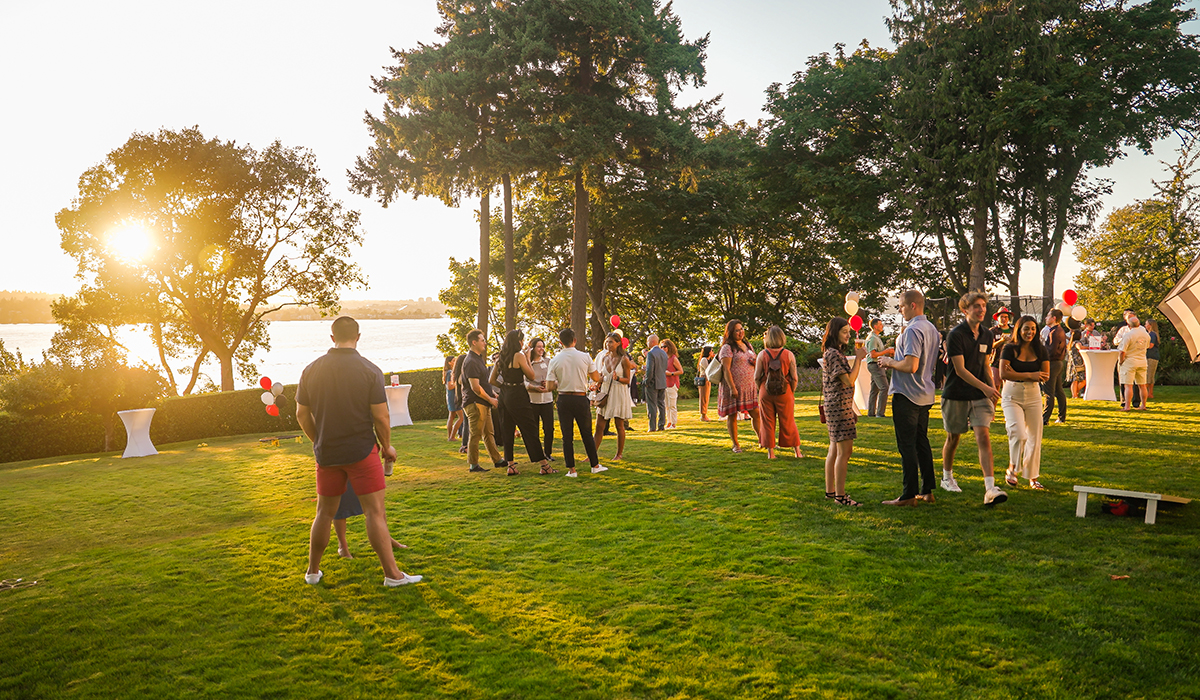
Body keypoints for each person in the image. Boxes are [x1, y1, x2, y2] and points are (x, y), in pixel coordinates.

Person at [295, 316, 420, 587]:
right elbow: (381, 416)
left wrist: (319, 440)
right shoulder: (369, 370)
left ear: (331, 338)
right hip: (362, 451)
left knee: (323, 513)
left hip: (327, 454)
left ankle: (312, 572)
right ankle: (392, 575)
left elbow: (302, 414)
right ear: (358, 337)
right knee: (374, 512)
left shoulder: (311, 369)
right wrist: (386, 447)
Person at [938, 292, 1007, 506]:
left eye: (984, 306)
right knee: (953, 438)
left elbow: (985, 365)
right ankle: (947, 477)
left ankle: (990, 488)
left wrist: (992, 392)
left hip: (979, 396)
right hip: (956, 394)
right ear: (965, 310)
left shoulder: (987, 335)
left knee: (983, 438)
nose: (981, 309)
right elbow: (960, 370)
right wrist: (986, 388)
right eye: (976, 306)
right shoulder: (956, 335)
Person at [878, 290, 940, 507]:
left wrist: (888, 362)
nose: (900, 310)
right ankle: (928, 491)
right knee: (922, 442)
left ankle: (908, 495)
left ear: (913, 305)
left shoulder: (913, 330)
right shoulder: (931, 328)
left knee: (907, 446)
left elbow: (910, 365)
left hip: (908, 394)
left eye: (902, 306)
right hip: (925, 393)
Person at [490, 329, 552, 475]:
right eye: (522, 340)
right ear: (518, 342)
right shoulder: (519, 356)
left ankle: (510, 465)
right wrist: (527, 357)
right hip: (518, 395)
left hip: (505, 395)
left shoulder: (501, 358)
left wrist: (504, 387)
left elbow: (491, 380)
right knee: (529, 429)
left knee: (507, 430)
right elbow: (531, 376)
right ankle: (544, 465)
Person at [1000, 315, 1050, 490]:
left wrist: (1017, 372)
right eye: (1026, 328)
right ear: (1019, 330)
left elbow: (1045, 375)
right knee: (1018, 432)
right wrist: (1030, 375)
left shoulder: (1041, 350)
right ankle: (1012, 468)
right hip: (1011, 395)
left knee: (1034, 437)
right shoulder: (1009, 348)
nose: (1030, 332)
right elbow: (1003, 374)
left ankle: (1032, 477)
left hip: (1033, 396)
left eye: (1033, 329)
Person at [547, 328, 605, 478]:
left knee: (567, 435)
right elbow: (596, 377)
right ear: (575, 340)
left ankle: (571, 470)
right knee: (586, 433)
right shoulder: (584, 357)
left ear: (560, 342)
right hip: (580, 397)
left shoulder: (555, 360)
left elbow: (549, 386)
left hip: (564, 398)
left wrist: (558, 381)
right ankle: (595, 465)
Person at [821, 318, 865, 505]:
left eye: (848, 331)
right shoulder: (834, 355)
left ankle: (831, 492)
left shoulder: (831, 353)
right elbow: (849, 381)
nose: (848, 334)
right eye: (844, 331)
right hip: (839, 407)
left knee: (834, 449)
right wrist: (859, 359)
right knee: (844, 452)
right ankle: (840, 496)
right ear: (835, 333)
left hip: (836, 405)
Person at [755, 325, 803, 460]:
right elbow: (794, 377)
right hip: (785, 391)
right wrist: (791, 391)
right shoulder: (788, 354)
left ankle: (771, 453)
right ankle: (797, 452)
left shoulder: (762, 354)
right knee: (788, 420)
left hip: (766, 391)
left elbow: (756, 376)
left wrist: (761, 388)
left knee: (767, 421)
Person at [461, 329, 505, 473]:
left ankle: (497, 460)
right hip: (475, 403)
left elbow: (484, 382)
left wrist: (492, 394)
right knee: (476, 434)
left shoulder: (478, 358)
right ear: (474, 342)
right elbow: (475, 387)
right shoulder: (471, 361)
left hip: (483, 402)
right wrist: (491, 399)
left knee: (489, 433)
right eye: (482, 340)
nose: (484, 342)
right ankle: (473, 465)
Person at [718, 319, 762, 453]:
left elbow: (753, 362)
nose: (740, 332)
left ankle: (762, 440)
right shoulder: (727, 347)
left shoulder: (747, 344)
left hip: (749, 387)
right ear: (730, 332)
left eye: (741, 329)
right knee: (732, 415)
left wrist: (755, 363)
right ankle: (736, 445)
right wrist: (732, 387)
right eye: (737, 330)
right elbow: (726, 369)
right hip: (734, 387)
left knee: (756, 414)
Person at [333, 480, 407, 559]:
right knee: (340, 502)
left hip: (364, 469)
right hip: (338, 469)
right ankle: (342, 546)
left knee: (376, 504)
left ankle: (386, 539)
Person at [594, 333, 634, 460]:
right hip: (605, 393)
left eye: (611, 342)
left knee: (619, 425)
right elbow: (602, 376)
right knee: (599, 426)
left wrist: (618, 378)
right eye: (607, 342)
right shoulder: (604, 358)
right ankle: (592, 454)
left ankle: (619, 454)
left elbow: (628, 380)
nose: (608, 344)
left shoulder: (624, 359)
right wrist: (596, 384)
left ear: (618, 343)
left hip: (618, 393)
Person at [525, 337, 555, 462]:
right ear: (532, 348)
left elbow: (556, 379)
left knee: (549, 428)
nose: (541, 349)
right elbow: (523, 381)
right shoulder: (526, 363)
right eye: (538, 346)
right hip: (532, 401)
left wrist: (549, 384)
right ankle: (537, 455)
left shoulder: (549, 362)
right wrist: (534, 387)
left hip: (547, 400)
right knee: (534, 429)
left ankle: (548, 453)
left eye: (542, 346)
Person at [1118, 314, 1152, 412]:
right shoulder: (1146, 334)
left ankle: (1127, 406)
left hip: (1130, 361)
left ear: (1129, 325)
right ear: (1139, 324)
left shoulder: (1128, 335)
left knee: (1128, 385)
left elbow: (1122, 351)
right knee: (1142, 385)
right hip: (1142, 360)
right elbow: (1147, 346)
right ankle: (1143, 405)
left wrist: (1121, 361)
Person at [1041, 308, 1068, 425]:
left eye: (1048, 316)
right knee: (1058, 391)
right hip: (1058, 363)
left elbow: (1050, 350)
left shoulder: (1054, 332)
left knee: (1048, 392)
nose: (1046, 318)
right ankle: (1061, 417)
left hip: (1051, 363)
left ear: (1054, 318)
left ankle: (1044, 419)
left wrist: (1041, 355)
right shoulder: (1059, 330)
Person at [864, 318, 893, 418]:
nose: (882, 326)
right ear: (875, 326)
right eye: (880, 324)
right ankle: (880, 413)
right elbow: (873, 354)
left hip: (875, 364)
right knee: (884, 387)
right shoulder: (873, 338)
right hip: (875, 365)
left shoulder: (875, 337)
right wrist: (887, 351)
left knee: (874, 389)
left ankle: (871, 413)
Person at [643, 335, 668, 432]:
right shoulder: (664, 353)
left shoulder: (651, 354)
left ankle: (652, 427)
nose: (647, 343)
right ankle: (661, 425)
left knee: (652, 405)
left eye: (647, 341)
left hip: (653, 383)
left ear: (652, 341)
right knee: (661, 404)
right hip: (662, 381)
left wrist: (646, 381)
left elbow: (650, 370)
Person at [989, 307, 1013, 398]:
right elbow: (991, 345)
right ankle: (992, 409)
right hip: (996, 361)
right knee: (996, 386)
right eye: (1002, 317)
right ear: (997, 318)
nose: (1004, 319)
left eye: (1006, 317)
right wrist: (1001, 340)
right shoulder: (992, 331)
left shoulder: (1013, 330)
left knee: (1009, 386)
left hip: (1009, 362)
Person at [662, 339, 684, 429]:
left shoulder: (673, 358)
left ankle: (673, 423)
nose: (663, 348)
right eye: (661, 347)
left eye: (665, 347)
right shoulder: (663, 358)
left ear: (669, 347)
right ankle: (669, 422)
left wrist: (670, 373)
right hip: (664, 384)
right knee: (666, 405)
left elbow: (681, 371)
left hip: (672, 383)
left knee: (672, 404)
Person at [452, 352, 470, 454]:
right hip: (465, 400)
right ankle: (465, 445)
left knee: (466, 422)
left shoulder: (458, 375)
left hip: (462, 400)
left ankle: (465, 445)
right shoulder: (461, 376)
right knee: (467, 423)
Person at [443, 356, 463, 441]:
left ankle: (451, 436)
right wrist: (458, 384)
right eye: (453, 361)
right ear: (449, 363)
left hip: (450, 397)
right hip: (454, 397)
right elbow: (450, 386)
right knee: (461, 417)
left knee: (451, 416)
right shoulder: (450, 372)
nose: (455, 362)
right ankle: (452, 436)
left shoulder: (447, 372)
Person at [696, 346, 713, 421]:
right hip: (704, 379)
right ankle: (703, 415)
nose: (713, 352)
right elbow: (708, 369)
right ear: (709, 352)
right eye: (712, 351)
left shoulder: (708, 360)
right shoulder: (704, 360)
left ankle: (704, 414)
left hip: (707, 379)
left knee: (706, 397)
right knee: (703, 397)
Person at [1145, 319, 1160, 400]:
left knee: (1149, 375)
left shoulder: (1152, 334)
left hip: (1151, 357)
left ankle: (1148, 393)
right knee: (1150, 376)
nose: (1145, 325)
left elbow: (1151, 345)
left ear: (1150, 325)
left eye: (1146, 324)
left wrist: (1141, 345)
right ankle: (1149, 393)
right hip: (1152, 356)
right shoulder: (1151, 334)